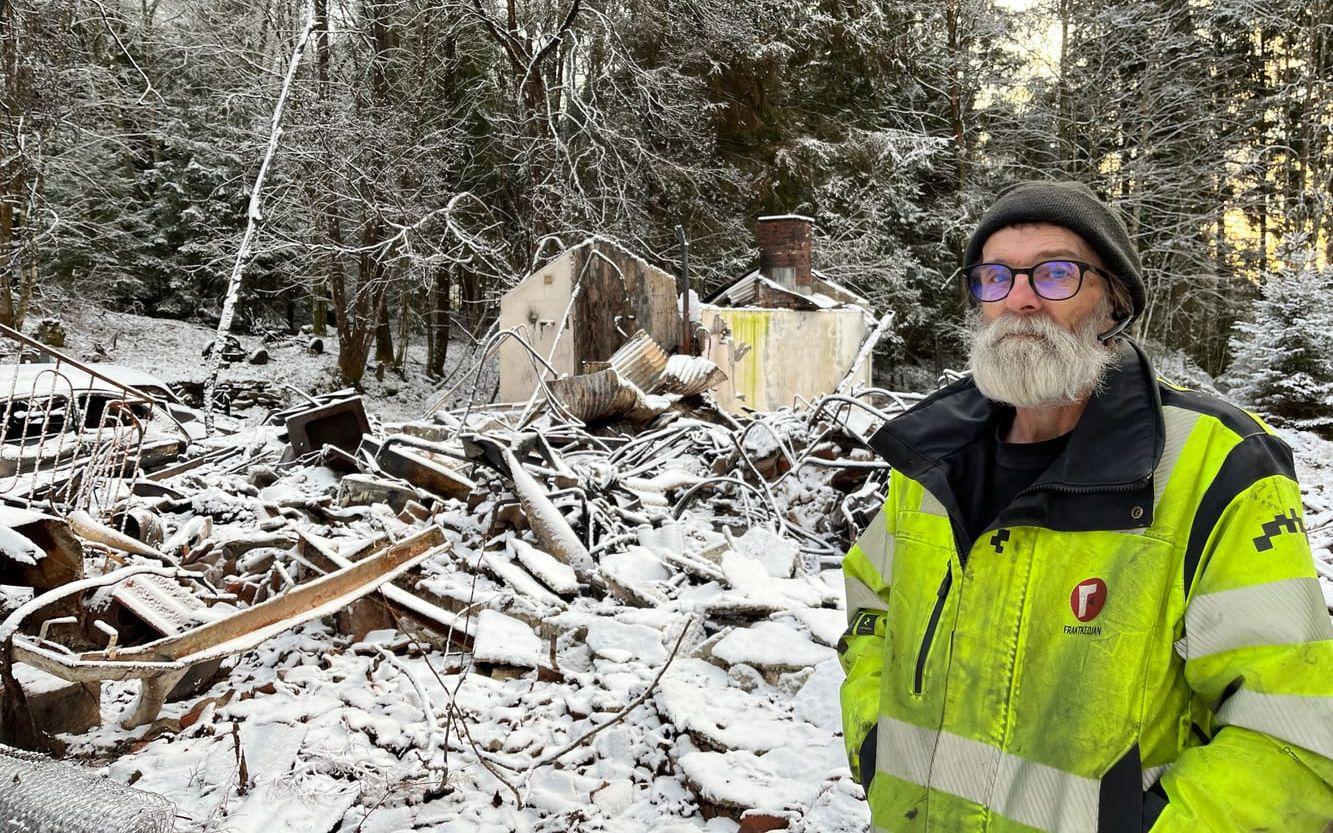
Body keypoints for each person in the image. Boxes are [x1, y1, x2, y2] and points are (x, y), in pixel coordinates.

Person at [837, 180, 1333, 832]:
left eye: (1053, 274)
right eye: (994, 276)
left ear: (1113, 303)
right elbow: (872, 612)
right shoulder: (933, 459)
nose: (1017, 298)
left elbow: (1291, 738)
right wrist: (873, 742)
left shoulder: (1215, 464)